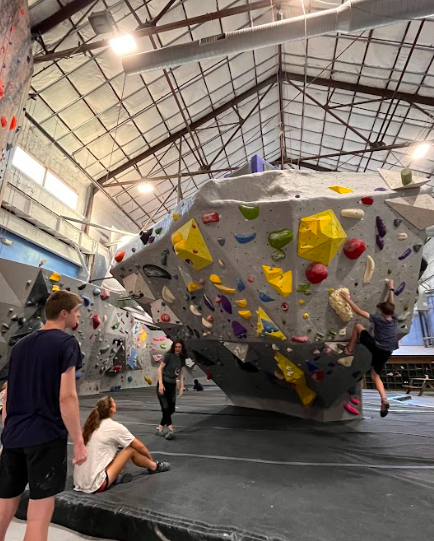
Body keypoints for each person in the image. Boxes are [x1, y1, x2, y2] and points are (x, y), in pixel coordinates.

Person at [0, 290, 87, 541]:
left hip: (14, 437)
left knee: (4, 506)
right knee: (38, 517)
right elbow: (67, 397)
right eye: (76, 312)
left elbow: (8, 392)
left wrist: (9, 429)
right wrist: (79, 441)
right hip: (45, 437)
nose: (79, 316)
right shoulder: (67, 343)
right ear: (64, 313)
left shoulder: (20, 346)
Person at [74, 396, 170, 493]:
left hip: (79, 481)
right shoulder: (114, 427)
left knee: (118, 449)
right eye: (114, 402)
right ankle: (154, 466)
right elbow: (139, 446)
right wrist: (149, 459)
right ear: (112, 409)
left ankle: (114, 477)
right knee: (130, 450)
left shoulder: (91, 426)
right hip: (95, 484)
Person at [340, 279, 398, 417]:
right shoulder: (394, 318)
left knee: (358, 326)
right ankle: (384, 399)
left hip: (376, 347)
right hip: (387, 351)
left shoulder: (379, 319)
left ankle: (349, 349)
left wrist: (347, 298)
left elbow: (358, 311)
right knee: (375, 376)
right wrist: (391, 288)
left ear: (382, 311)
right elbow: (392, 304)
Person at [156, 341, 187, 440]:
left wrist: (181, 386)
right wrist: (160, 384)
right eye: (176, 346)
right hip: (163, 383)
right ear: (173, 347)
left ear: (182, 348)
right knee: (165, 407)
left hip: (172, 385)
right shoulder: (168, 356)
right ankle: (171, 429)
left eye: (179, 347)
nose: (177, 348)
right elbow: (159, 369)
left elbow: (181, 373)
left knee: (171, 409)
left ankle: (160, 427)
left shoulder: (182, 358)